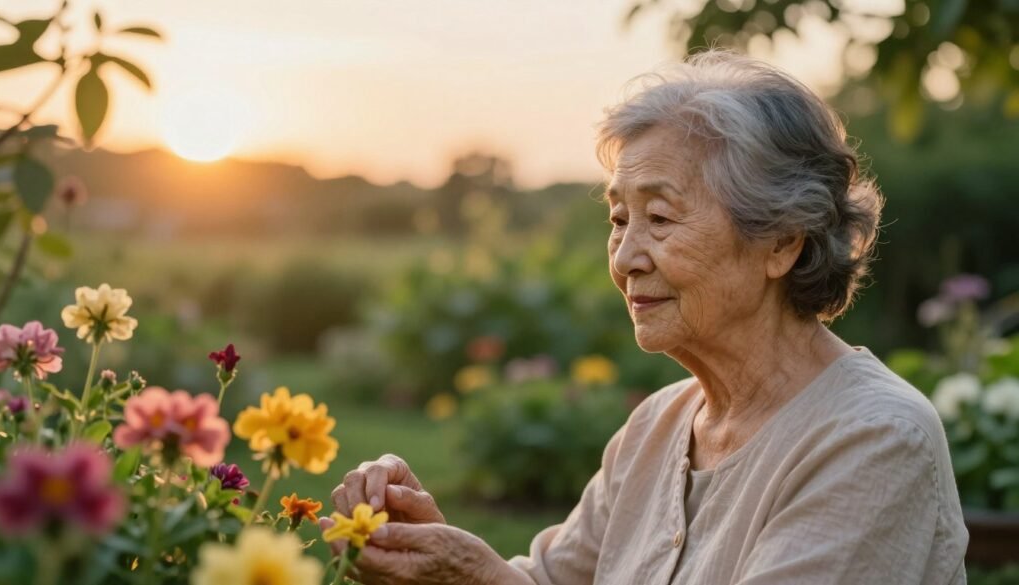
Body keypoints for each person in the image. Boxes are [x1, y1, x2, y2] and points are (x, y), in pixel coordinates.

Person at [322, 50, 969, 584]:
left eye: (659, 219)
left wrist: (477, 578)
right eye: (618, 219)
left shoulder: (875, 439)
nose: (627, 256)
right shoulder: (658, 427)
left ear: (781, 241)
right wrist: (433, 554)